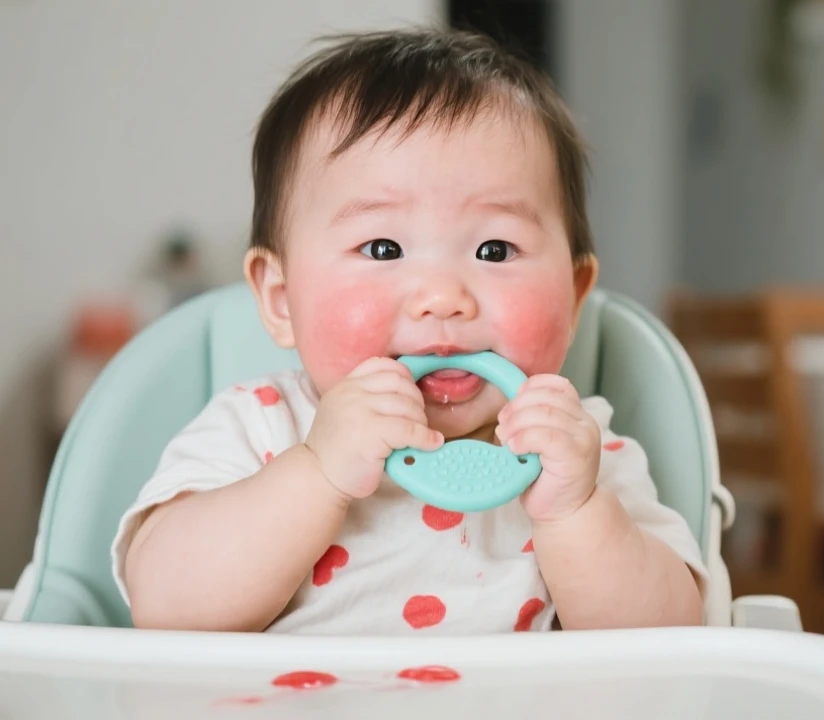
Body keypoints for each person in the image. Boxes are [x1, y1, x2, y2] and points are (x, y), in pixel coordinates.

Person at [111, 27, 706, 635]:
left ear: (574, 297)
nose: (443, 297)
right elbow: (164, 608)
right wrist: (317, 473)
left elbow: (672, 639)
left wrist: (576, 513)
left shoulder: (578, 452)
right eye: (383, 246)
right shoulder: (259, 427)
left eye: (496, 249)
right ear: (283, 299)